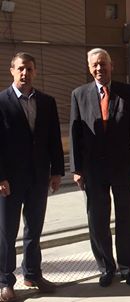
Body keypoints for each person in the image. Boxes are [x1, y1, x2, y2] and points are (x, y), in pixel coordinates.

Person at [69, 48, 130, 287]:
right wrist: (77, 169)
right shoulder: (79, 94)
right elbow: (75, 134)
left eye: (103, 64)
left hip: (123, 167)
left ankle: (127, 268)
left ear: (111, 65)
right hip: (93, 170)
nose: (99, 69)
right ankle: (106, 267)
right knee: (97, 219)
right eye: (95, 65)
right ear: (89, 67)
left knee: (126, 218)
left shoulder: (128, 93)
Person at [0, 52, 64, 302]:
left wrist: (57, 171)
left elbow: (53, 140)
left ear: (35, 72)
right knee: (7, 232)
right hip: (10, 181)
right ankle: (6, 280)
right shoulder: (1, 102)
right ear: (12, 70)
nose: (25, 73)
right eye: (20, 69)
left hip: (38, 177)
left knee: (34, 229)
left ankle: (33, 274)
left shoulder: (47, 102)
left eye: (29, 69)